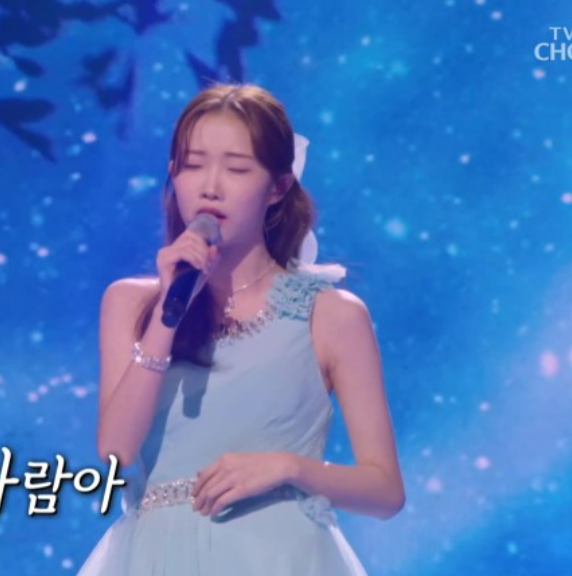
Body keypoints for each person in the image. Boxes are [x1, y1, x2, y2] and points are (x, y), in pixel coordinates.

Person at [78, 83, 404, 575]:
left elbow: (385, 491)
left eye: (236, 169)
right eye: (193, 165)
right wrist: (169, 308)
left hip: (279, 557)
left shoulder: (332, 314)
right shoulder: (131, 302)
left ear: (278, 186)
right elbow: (115, 451)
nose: (210, 186)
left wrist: (289, 468)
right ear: (173, 175)